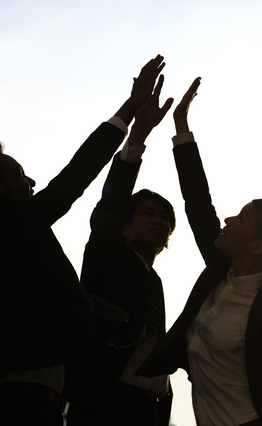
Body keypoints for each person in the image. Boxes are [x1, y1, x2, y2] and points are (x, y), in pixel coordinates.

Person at [0, 55, 167, 426]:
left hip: (30, 403)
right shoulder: (5, 224)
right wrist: (129, 110)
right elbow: (70, 182)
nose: (31, 183)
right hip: (21, 406)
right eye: (19, 174)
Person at [136, 78, 262, 425]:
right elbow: (199, 202)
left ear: (258, 245)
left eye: (242, 218)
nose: (228, 219)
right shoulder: (218, 269)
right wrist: (181, 127)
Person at [66, 73, 176, 425]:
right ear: (124, 226)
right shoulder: (108, 257)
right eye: (147, 213)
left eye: (165, 218)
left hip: (151, 407)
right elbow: (110, 206)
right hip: (105, 404)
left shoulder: (153, 281)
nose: (158, 220)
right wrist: (138, 137)